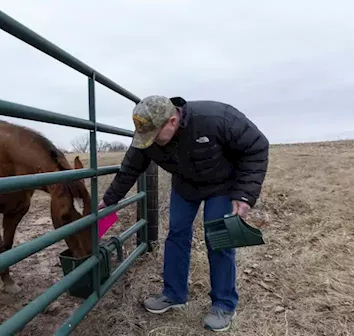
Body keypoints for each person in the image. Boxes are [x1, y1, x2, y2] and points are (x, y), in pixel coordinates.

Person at [97, 95, 269, 332]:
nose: (150, 143)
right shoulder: (148, 139)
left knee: (218, 238)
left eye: (154, 136)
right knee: (176, 234)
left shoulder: (216, 118)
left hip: (221, 185)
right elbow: (129, 169)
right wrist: (108, 200)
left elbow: (257, 147)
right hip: (186, 187)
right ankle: (174, 294)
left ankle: (224, 304)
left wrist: (245, 194)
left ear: (171, 121)